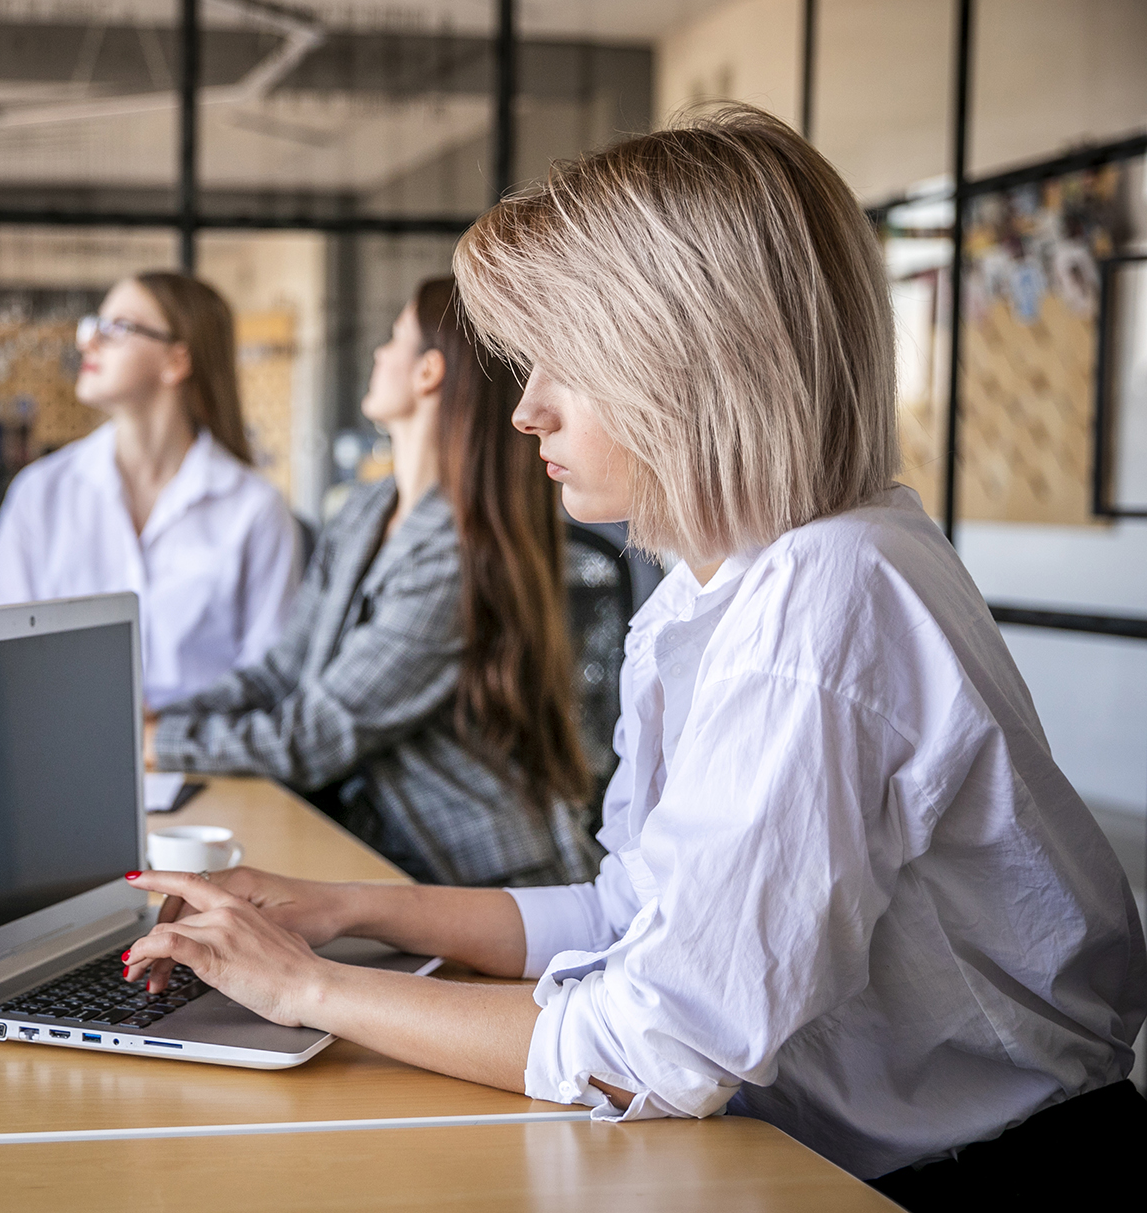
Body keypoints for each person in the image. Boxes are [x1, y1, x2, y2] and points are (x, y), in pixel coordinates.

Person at [117, 106, 1146, 1206]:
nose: (526, 411)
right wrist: (343, 908)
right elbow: (628, 919)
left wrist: (306, 991)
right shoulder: (721, 584)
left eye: (567, 360)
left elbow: (653, 1046)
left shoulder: (823, 594)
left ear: (685, 357)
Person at [151, 278, 594, 889]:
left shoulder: (457, 553)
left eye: (394, 339)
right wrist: (160, 718)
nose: (379, 354)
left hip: (475, 873)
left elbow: (315, 737)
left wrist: (162, 741)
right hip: (377, 848)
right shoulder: (366, 511)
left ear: (428, 373)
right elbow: (281, 671)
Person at [0, 273, 299, 712]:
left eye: (117, 328)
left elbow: (271, 679)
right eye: (93, 326)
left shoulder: (255, 509)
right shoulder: (40, 493)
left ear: (176, 361)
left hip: (204, 761)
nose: (88, 342)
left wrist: (161, 728)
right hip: (61, 753)